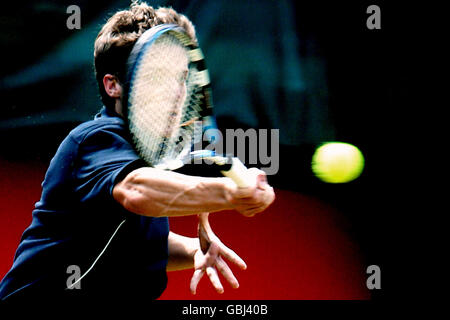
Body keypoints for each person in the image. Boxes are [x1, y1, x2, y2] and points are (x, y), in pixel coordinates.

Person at [0, 2, 275, 304]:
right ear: (113, 85)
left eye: (182, 78)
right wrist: (230, 194)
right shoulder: (95, 140)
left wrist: (195, 250)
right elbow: (136, 191)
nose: (177, 92)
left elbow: (136, 242)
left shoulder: (148, 159)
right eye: (158, 76)